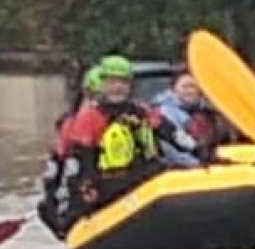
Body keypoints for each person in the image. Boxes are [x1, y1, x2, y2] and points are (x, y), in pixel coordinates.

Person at [37, 55, 164, 238]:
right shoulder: (78, 122)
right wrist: (69, 197)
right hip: (105, 182)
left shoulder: (140, 113)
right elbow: (68, 166)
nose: (91, 102)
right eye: (89, 96)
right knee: (57, 207)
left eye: (123, 82)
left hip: (138, 177)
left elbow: (168, 133)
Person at [152, 66, 222, 166]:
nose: (190, 91)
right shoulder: (164, 112)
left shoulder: (209, 110)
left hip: (208, 165)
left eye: (193, 86)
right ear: (173, 89)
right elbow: (169, 149)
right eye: (185, 87)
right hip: (181, 168)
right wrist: (197, 165)